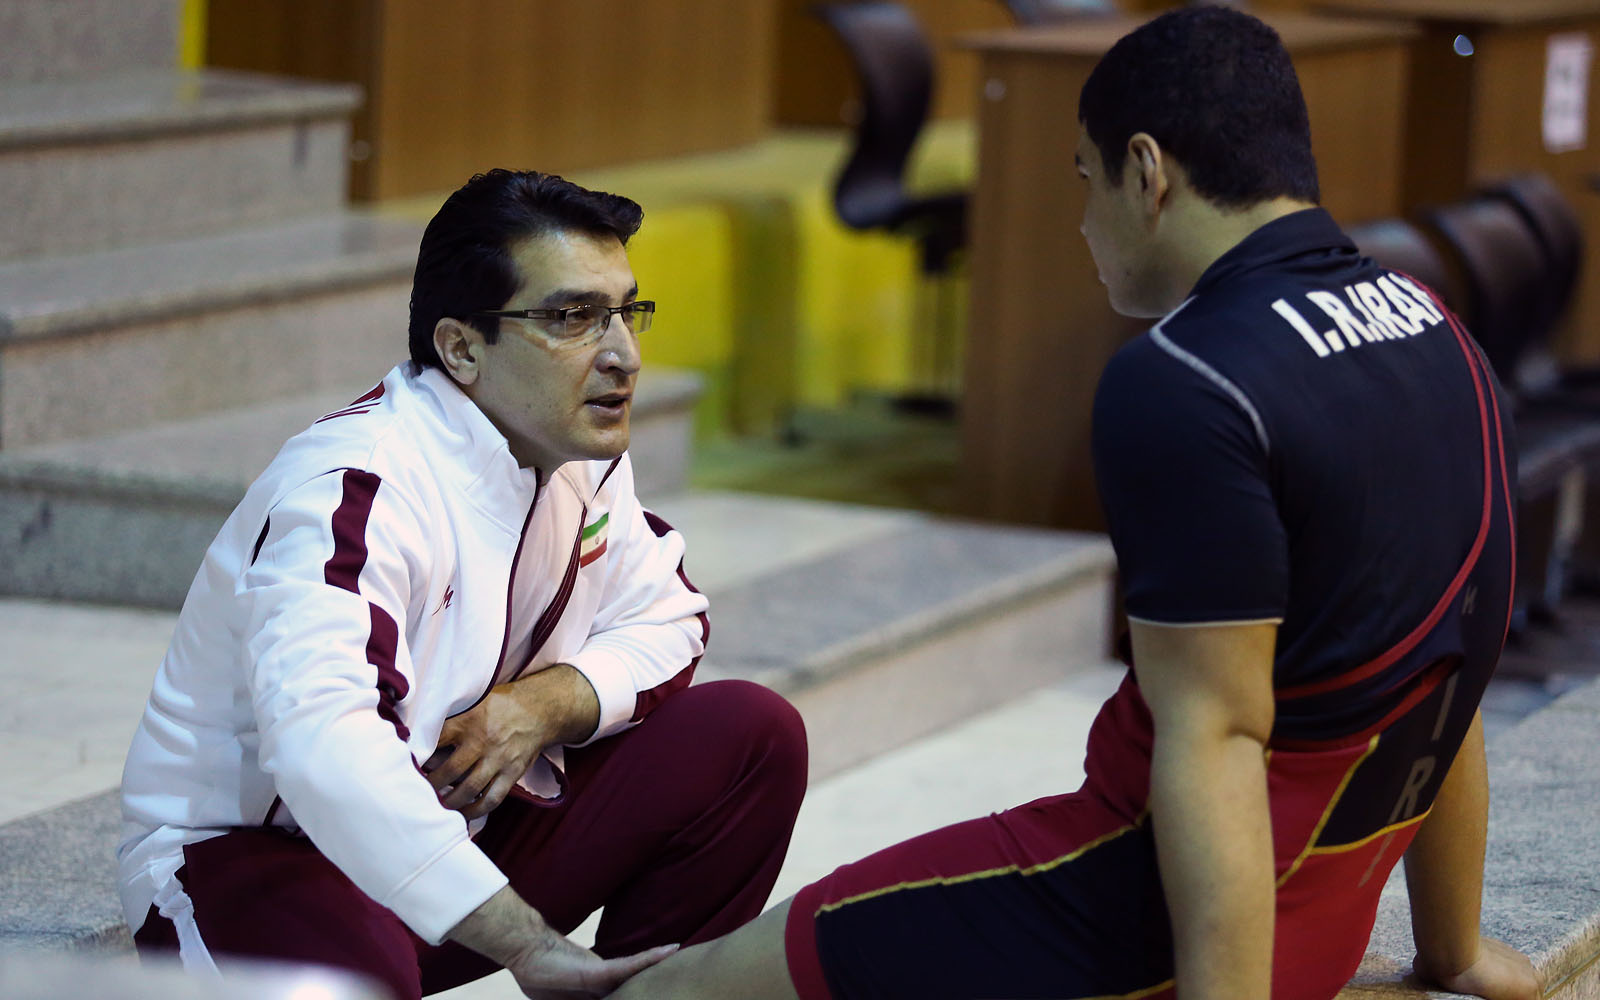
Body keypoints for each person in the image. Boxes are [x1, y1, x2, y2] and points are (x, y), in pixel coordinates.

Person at [609, 9, 1540, 1000]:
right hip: (1312, 917)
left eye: (1084, 179)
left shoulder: (1190, 379)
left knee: (678, 989)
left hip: (1145, 930)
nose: (1084, 221)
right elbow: (1457, 666)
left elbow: (1216, 738)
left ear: (1147, 171)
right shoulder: (1436, 328)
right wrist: (1454, 951)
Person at [116, 169, 808, 1000]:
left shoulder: (576, 456)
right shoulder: (355, 488)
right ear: (461, 348)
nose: (623, 354)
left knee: (749, 737)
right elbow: (324, 750)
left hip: (456, 828)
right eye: (573, 317)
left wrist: (543, 705)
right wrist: (527, 941)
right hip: (260, 856)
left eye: (626, 312)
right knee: (352, 980)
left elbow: (670, 616)